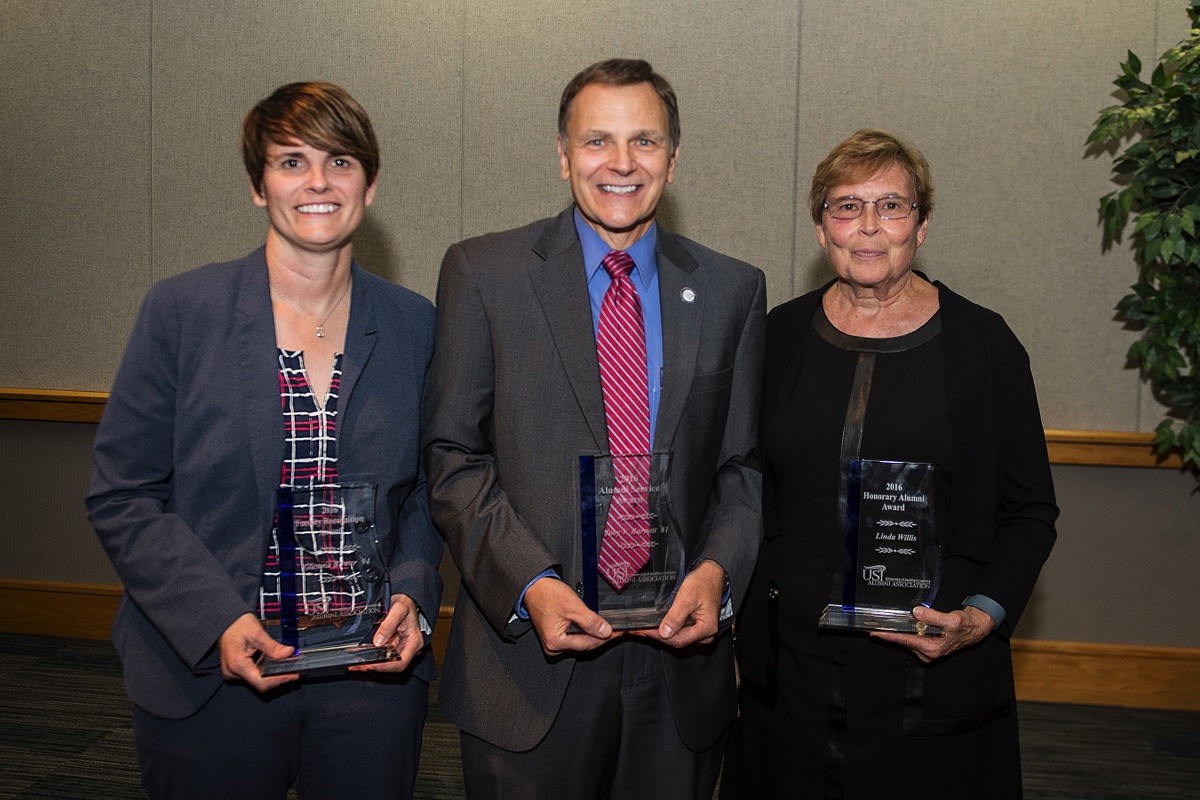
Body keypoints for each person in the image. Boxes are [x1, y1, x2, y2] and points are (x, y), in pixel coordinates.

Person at [86, 82, 442, 800]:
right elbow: (124, 494)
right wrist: (215, 617)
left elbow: (430, 491)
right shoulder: (182, 312)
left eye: (340, 161)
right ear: (258, 185)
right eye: (291, 162)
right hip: (212, 669)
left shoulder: (415, 323)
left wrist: (413, 589)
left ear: (370, 185)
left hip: (366, 674)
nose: (318, 182)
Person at [421, 58, 765, 799]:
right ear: (562, 154)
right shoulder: (484, 273)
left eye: (645, 141)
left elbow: (741, 468)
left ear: (674, 158)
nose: (621, 162)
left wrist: (717, 573)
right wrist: (531, 584)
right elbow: (452, 455)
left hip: (679, 670)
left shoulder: (733, 289)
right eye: (597, 140)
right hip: (528, 667)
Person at [721, 129, 1059, 799]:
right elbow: (741, 486)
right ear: (822, 229)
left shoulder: (983, 346)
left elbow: (1029, 510)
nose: (869, 226)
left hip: (932, 668)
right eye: (847, 206)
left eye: (892, 206)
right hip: (790, 673)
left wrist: (981, 615)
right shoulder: (777, 338)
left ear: (922, 225)